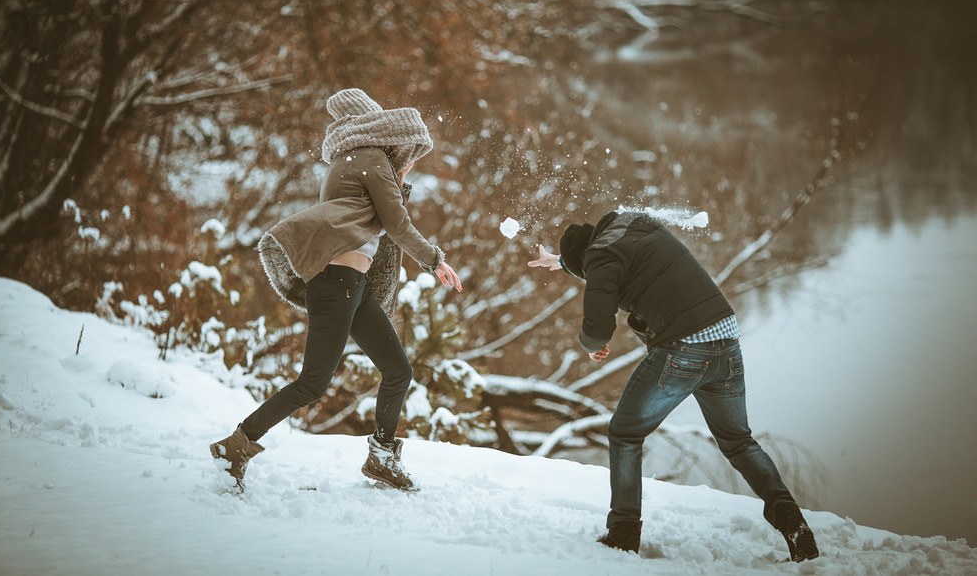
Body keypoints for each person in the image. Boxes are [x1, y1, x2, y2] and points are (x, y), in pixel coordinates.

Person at [528, 209, 819, 562]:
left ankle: (623, 533)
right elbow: (606, 263)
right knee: (738, 441)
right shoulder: (635, 226)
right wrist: (560, 261)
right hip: (725, 338)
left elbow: (597, 327)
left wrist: (591, 345)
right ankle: (792, 520)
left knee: (624, 433)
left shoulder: (600, 257)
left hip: (683, 347)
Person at [211, 88, 462, 493]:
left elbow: (371, 217)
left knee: (398, 370)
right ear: (369, 122)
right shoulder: (370, 157)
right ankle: (236, 445)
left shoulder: (347, 162)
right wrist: (435, 260)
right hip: (338, 284)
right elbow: (395, 224)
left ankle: (382, 458)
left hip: (352, 287)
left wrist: (398, 179)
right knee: (313, 383)